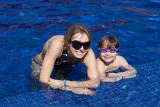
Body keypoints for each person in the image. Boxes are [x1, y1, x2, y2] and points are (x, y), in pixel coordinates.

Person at [31, 24, 99, 95]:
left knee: (61, 85)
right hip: (41, 63)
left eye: (86, 44)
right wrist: (73, 89)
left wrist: (64, 83)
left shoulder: (88, 53)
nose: (81, 49)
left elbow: (95, 83)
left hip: (66, 63)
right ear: (68, 42)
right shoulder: (57, 45)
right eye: (76, 44)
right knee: (37, 86)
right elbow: (43, 80)